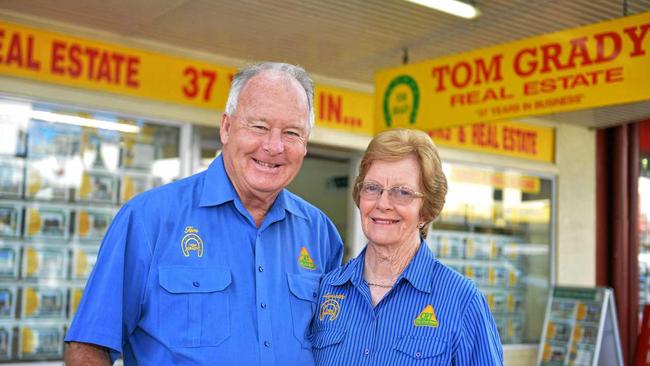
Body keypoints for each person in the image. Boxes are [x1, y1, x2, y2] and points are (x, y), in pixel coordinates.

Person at [65, 62, 343, 366]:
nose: (274, 146)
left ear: (305, 144)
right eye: (260, 127)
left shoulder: (320, 234)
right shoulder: (148, 220)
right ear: (226, 127)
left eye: (291, 132)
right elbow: (89, 346)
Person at [311, 129, 503, 365]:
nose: (383, 203)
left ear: (426, 211)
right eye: (372, 188)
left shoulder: (462, 300)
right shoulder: (328, 289)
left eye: (402, 192)